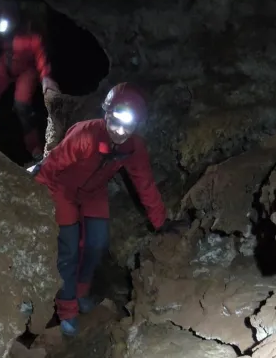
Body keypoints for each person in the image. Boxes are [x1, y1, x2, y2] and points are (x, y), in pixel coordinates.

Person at [33, 82, 186, 336]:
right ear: (106, 114)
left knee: (97, 243)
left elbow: (145, 184)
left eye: (129, 126)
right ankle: (67, 310)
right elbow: (52, 167)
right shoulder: (85, 135)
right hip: (63, 190)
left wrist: (161, 222)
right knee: (69, 250)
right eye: (116, 123)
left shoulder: (133, 147)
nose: (121, 131)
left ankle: (82, 294)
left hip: (94, 192)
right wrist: (35, 199)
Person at [0, 0, 60, 162]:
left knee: (22, 106)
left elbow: (41, 58)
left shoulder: (33, 35)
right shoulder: (4, 27)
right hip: (6, 63)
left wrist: (46, 78)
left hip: (26, 70)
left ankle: (35, 149)